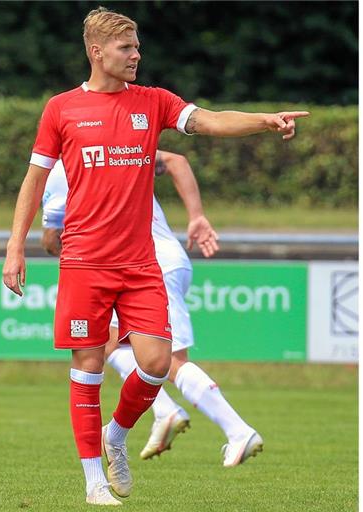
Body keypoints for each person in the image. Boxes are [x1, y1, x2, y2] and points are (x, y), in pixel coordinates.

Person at [2, 6, 308, 506]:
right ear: (97, 53)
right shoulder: (61, 109)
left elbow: (208, 121)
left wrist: (264, 121)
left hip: (142, 263)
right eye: (127, 48)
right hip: (84, 262)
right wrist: (15, 248)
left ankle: (117, 435)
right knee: (88, 364)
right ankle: (93, 482)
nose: (136, 55)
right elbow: (33, 183)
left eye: (138, 47)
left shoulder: (153, 102)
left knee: (157, 362)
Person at [41, 150, 264, 470]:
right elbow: (178, 161)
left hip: (149, 266)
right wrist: (196, 215)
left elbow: (52, 237)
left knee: (170, 361)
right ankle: (163, 411)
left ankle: (238, 431)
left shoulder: (64, 168)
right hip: (157, 262)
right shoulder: (122, 148)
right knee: (108, 341)